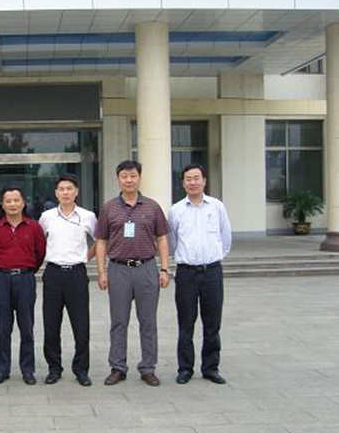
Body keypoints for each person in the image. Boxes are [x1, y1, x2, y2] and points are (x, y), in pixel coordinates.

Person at [95, 160, 170, 387]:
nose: (129, 180)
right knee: (119, 321)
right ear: (118, 179)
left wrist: (164, 268)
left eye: (133, 176)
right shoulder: (109, 208)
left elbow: (162, 238)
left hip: (146, 268)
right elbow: (101, 241)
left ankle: (148, 368)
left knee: (148, 321)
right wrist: (102, 271)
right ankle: (118, 367)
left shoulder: (152, 207)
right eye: (124, 176)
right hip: (118, 269)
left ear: (139, 177)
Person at [168, 164, 232, 385]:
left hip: (212, 271)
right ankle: (185, 368)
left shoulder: (217, 207)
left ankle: (211, 368)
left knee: (212, 323)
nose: (193, 182)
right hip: (186, 273)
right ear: (183, 183)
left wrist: (214, 257)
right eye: (188, 179)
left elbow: (225, 237)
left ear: (204, 181)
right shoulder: (176, 210)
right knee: (186, 322)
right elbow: (172, 241)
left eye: (196, 178)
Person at [38, 174, 97, 387]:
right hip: (53, 273)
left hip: (77, 274)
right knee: (51, 325)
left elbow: (100, 241)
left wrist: (85, 257)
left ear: (76, 191)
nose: (65, 192)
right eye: (61, 189)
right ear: (56, 193)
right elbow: (39, 242)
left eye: (69, 188)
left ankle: (81, 369)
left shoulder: (87, 216)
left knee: (81, 325)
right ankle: (54, 368)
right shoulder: (46, 217)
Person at [0, 186, 46, 385]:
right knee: (4, 328)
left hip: (26, 278)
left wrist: (27, 271)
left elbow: (40, 253)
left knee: (26, 327)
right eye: (8, 201)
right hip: (2, 279)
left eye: (16, 200)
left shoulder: (34, 227)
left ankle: (27, 370)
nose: (12, 204)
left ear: (23, 203)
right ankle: (2, 370)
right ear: (2, 204)